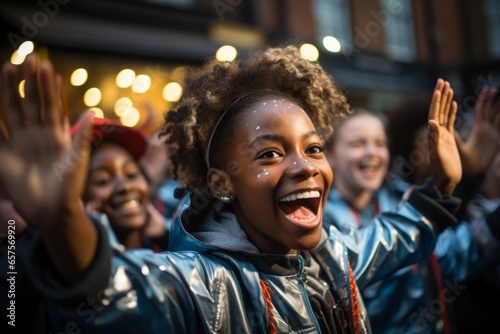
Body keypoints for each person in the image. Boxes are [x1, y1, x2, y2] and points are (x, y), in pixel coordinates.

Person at [0, 47, 462, 333]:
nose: (304, 166)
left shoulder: (332, 255)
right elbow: (121, 292)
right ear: (222, 182)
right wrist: (62, 221)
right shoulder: (204, 284)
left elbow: (396, 237)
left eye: (314, 148)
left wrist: (442, 181)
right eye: (270, 154)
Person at [322, 104, 500, 333]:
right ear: (330, 156)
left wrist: (490, 215)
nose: (372, 152)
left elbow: (449, 257)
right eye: (358, 143)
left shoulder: (403, 199)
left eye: (380, 143)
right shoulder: (320, 222)